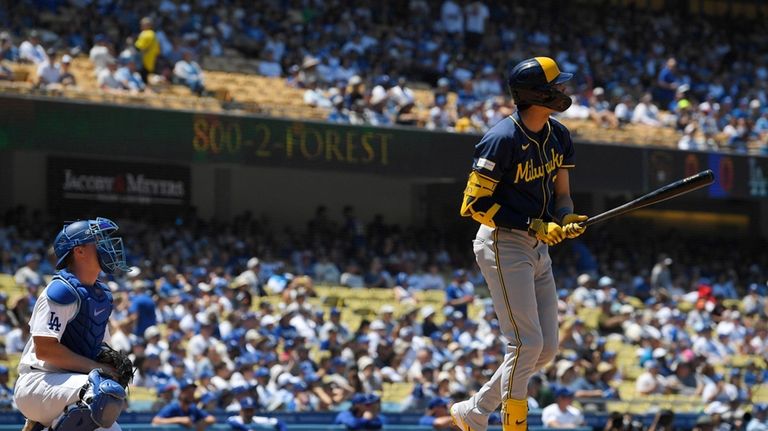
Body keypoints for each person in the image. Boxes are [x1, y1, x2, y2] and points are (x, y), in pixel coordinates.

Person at [452, 57, 587, 431]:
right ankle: (512, 425)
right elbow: (473, 205)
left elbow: (562, 195)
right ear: (537, 94)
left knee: (544, 350)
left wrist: (565, 219)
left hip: (536, 246)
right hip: (502, 242)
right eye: (556, 86)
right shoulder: (501, 139)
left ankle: (475, 411)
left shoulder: (558, 135)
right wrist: (535, 223)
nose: (563, 90)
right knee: (525, 345)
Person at [14, 218, 131, 430]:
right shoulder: (62, 290)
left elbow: (99, 349)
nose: (106, 245)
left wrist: (112, 366)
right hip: (39, 382)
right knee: (100, 390)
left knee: (111, 411)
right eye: (98, 240)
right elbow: (45, 349)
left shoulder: (100, 295)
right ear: (79, 251)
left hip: (69, 387)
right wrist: (97, 368)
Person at [152, 379, 216, 429]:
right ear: (181, 393)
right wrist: (179, 420)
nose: (191, 395)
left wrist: (202, 423)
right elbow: (156, 421)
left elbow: (211, 418)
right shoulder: (173, 407)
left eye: (192, 392)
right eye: (188, 392)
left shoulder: (192, 408)